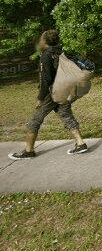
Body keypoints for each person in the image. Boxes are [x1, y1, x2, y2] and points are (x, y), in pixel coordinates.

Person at [9, 29, 88, 159]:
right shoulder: (61, 52)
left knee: (35, 120)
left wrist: (40, 99)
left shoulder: (46, 56)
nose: (40, 41)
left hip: (51, 93)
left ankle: (29, 150)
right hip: (65, 90)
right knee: (66, 115)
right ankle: (80, 143)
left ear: (45, 41)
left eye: (41, 39)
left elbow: (46, 80)